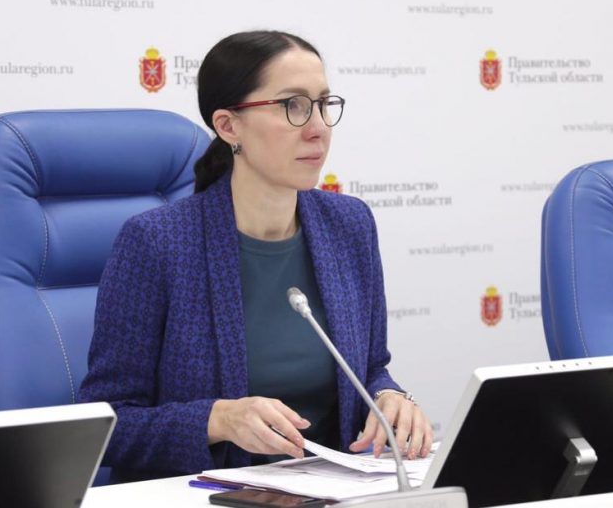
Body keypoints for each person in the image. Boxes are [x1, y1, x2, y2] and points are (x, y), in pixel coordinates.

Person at [79, 30, 433, 483]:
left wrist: (390, 399)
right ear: (229, 127)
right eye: (293, 106)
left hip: (335, 487)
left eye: (324, 104)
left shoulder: (349, 225)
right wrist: (217, 420)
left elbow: (370, 369)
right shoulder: (158, 242)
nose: (318, 127)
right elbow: (104, 424)